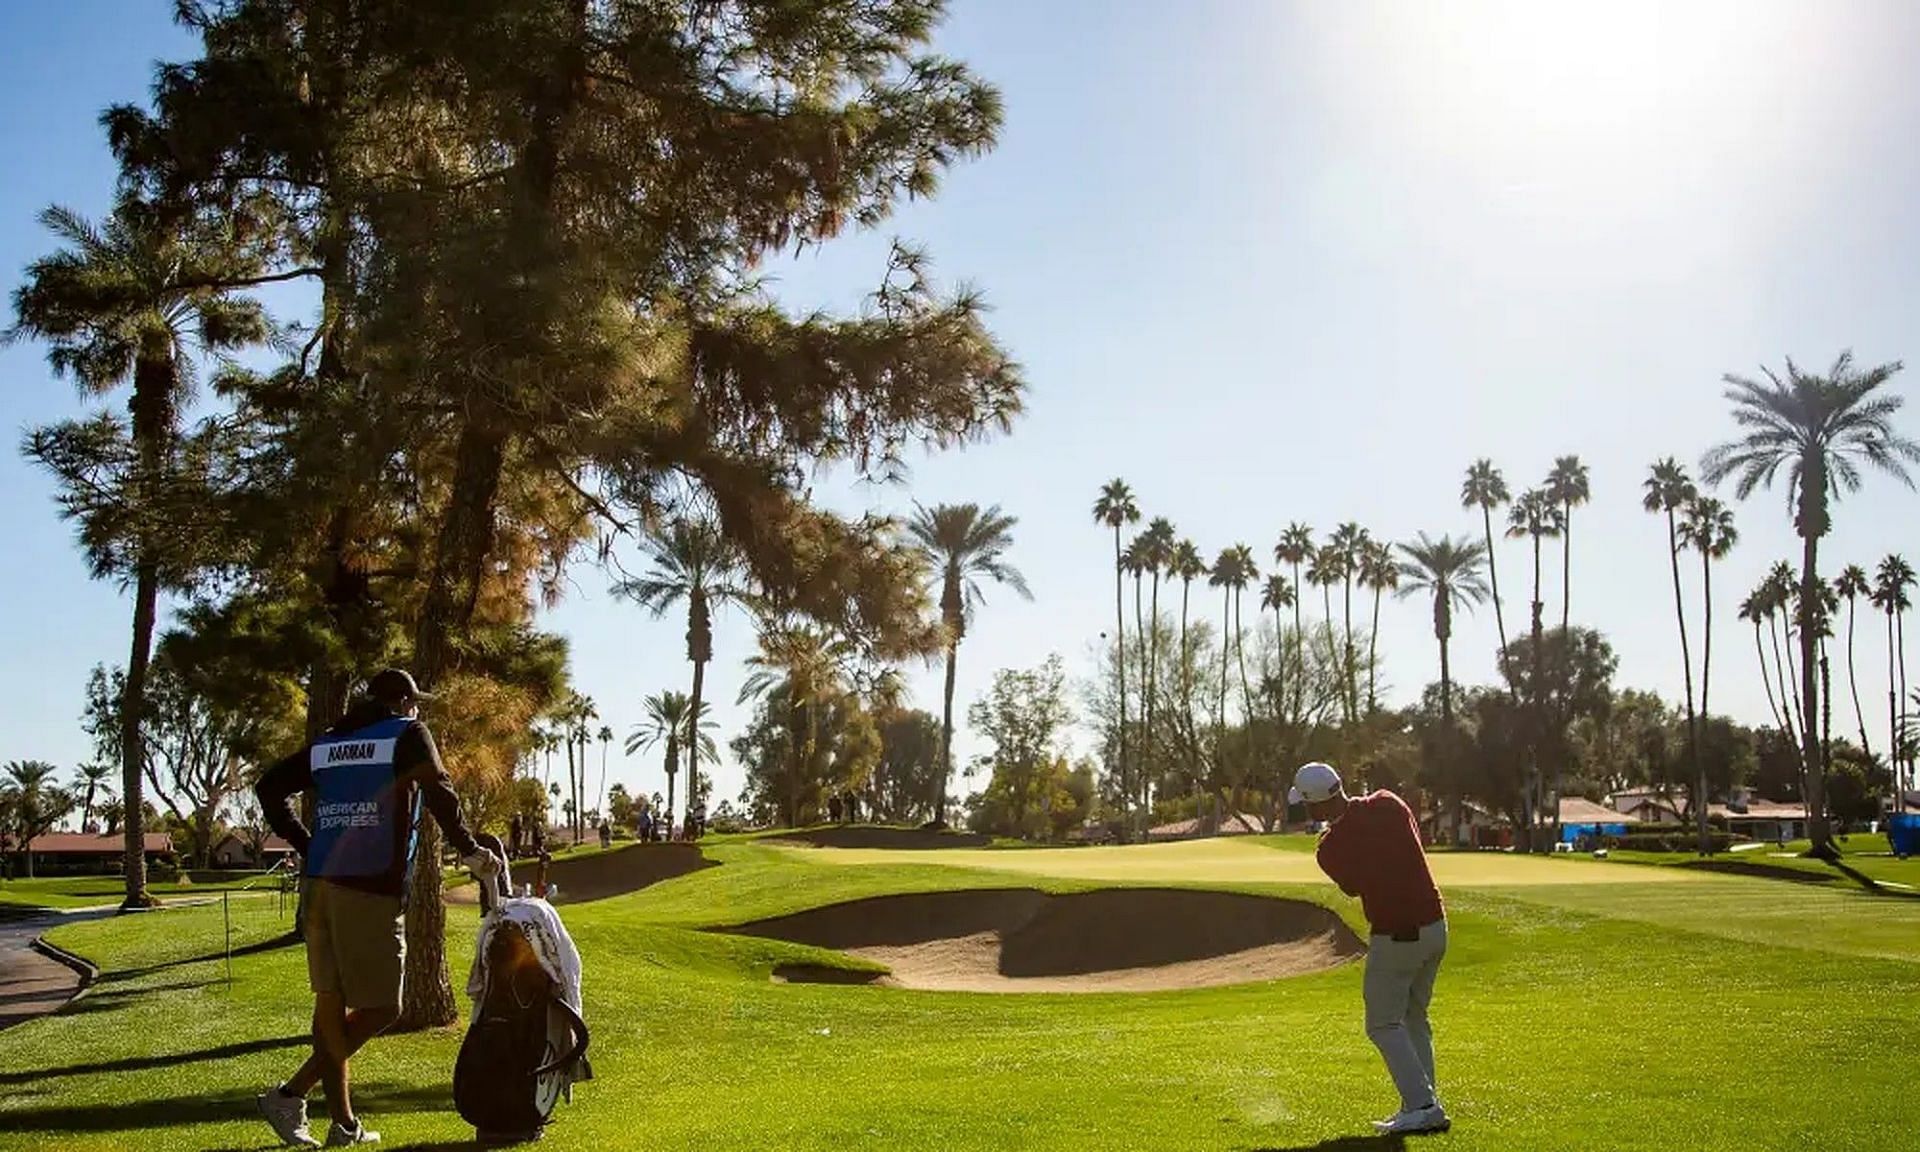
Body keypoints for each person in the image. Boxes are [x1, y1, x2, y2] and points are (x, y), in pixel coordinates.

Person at [254, 668, 503, 1148]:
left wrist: (307, 845)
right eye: (415, 703)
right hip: (366, 889)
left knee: (332, 1003)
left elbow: (268, 788)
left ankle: (343, 1125)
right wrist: (469, 850)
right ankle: (290, 1093)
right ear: (406, 703)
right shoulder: (406, 733)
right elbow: (438, 790)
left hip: (320, 885)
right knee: (383, 1006)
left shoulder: (329, 743)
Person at [1290, 761, 1450, 1136]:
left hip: (1397, 935)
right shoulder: (1389, 802)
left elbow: (1353, 887)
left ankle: (1422, 1105)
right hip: (1436, 926)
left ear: (1314, 805)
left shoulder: (1329, 849)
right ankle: (1424, 1104)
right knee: (1413, 1017)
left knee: (1382, 1023)